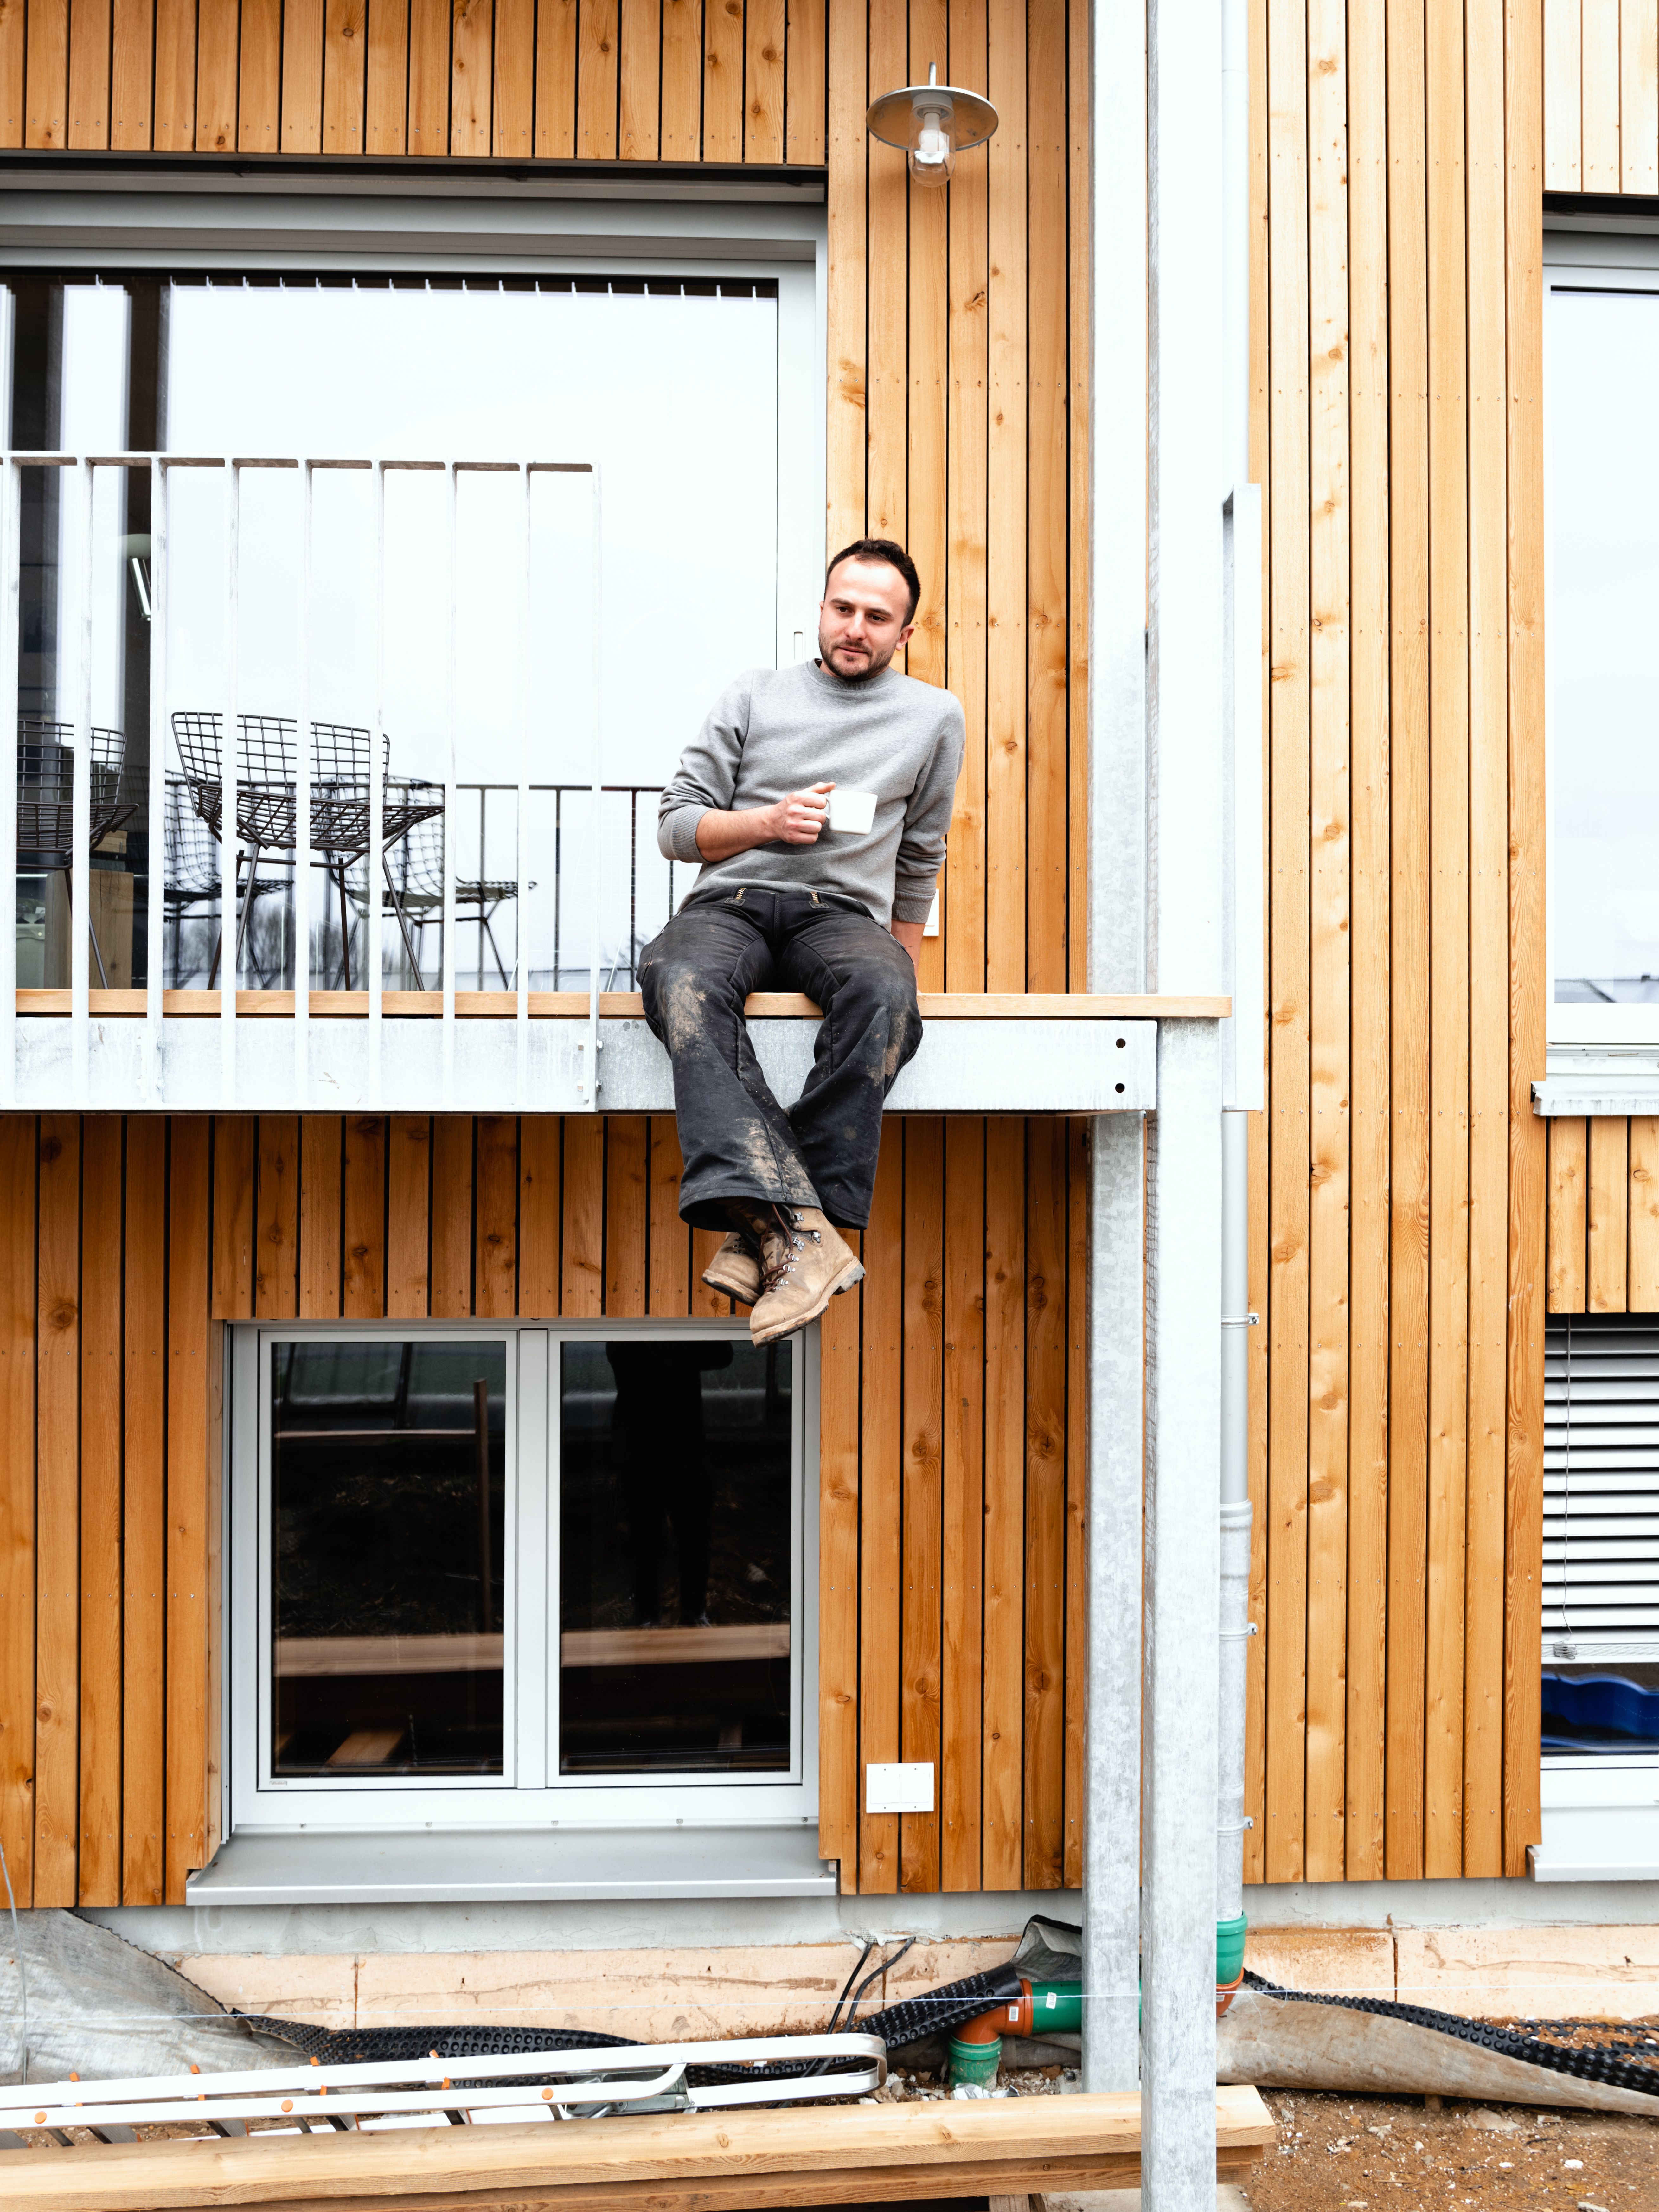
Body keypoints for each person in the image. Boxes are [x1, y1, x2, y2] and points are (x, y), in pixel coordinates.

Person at [641, 537, 965, 1346]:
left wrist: (903, 968)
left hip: (842, 917)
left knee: (888, 998)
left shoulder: (932, 716)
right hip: (733, 901)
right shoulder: (754, 695)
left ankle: (773, 1232)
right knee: (677, 978)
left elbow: (921, 854)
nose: (853, 627)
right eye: (841, 608)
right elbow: (675, 826)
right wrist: (765, 823)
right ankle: (805, 1233)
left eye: (875, 617)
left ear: (905, 634)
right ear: (821, 609)